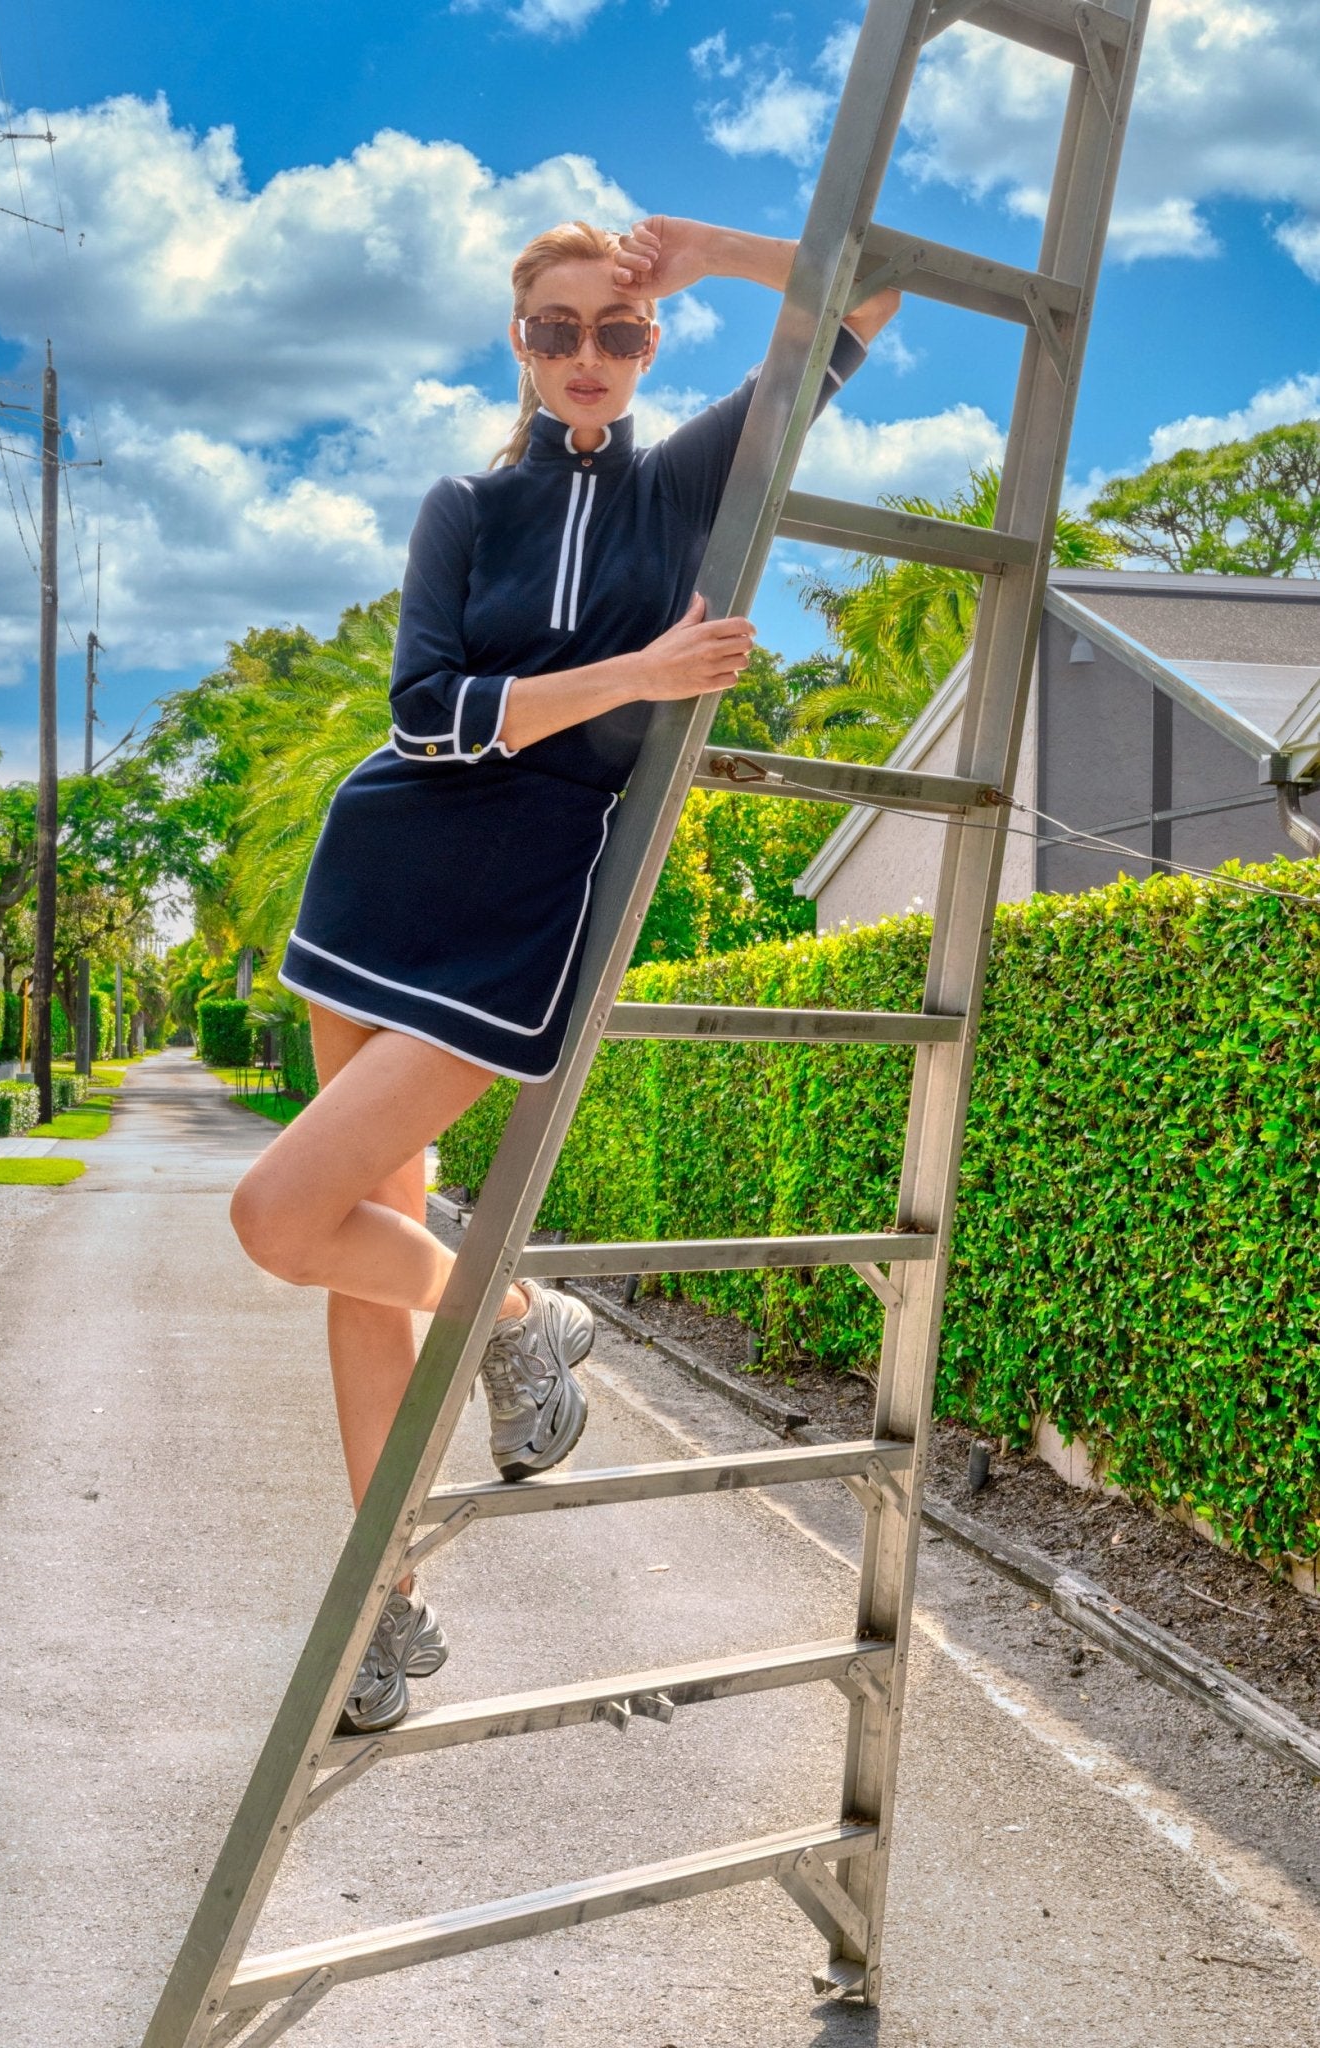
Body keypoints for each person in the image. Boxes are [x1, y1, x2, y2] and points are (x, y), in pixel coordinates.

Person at [229, 214, 903, 1733]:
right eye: (555, 328)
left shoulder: (686, 483)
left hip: (520, 909)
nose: (586, 355)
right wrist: (633, 679)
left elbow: (871, 286)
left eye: (617, 329)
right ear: (516, 340)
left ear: (651, 343)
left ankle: (519, 1319)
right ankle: (390, 1599)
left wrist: (708, 255)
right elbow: (420, 713)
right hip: (377, 880)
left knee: (277, 1216)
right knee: (351, 1243)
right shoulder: (462, 503)